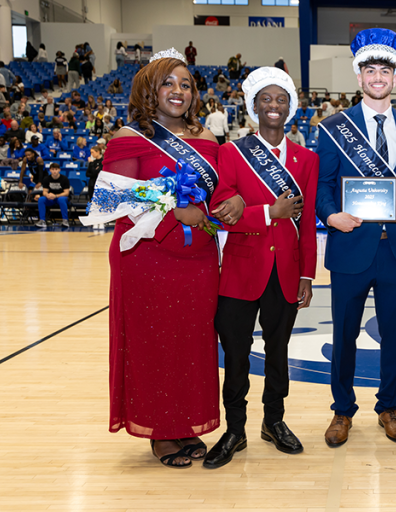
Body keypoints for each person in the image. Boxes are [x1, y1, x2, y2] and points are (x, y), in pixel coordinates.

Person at [100, 47, 244, 469]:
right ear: (150, 88)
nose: (178, 91)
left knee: (191, 343)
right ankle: (159, 430)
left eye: (185, 84)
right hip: (145, 257)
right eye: (168, 83)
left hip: (197, 256)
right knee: (152, 343)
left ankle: (184, 422)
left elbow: (218, 191)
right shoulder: (127, 138)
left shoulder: (207, 139)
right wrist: (171, 205)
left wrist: (231, 198)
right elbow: (113, 198)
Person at [203, 66, 318, 469]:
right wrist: (270, 212)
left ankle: (274, 421)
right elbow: (223, 211)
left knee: (278, 353)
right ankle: (235, 429)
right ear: (254, 107)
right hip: (239, 271)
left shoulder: (307, 159)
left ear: (291, 108)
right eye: (266, 99)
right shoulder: (230, 152)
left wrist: (307, 274)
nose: (273, 105)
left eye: (281, 99)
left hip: (286, 272)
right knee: (235, 355)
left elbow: (305, 223)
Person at [316, 29, 396, 447]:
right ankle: (342, 410)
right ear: (358, 77)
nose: (377, 77)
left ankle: (389, 405)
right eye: (369, 70)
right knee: (344, 334)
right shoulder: (333, 127)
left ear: (395, 78)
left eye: (385, 70)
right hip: (350, 244)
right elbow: (323, 185)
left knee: (394, 333)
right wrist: (331, 215)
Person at [35, 163, 70, 228]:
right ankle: (42, 221)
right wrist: (47, 195)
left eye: (56, 169)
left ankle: (65, 220)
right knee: (41, 199)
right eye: (53, 169)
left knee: (61, 199)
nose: (54, 171)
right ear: (50, 170)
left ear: (59, 170)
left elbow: (66, 193)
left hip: (61, 197)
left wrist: (56, 196)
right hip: (51, 198)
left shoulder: (64, 179)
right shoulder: (46, 179)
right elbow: (44, 191)